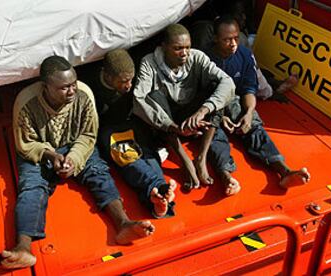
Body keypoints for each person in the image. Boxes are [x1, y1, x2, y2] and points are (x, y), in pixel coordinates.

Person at [0, 56, 155, 270]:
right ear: (46, 87)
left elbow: (89, 135)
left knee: (98, 172)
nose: (72, 91)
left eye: (73, 84)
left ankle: (123, 222)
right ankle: (23, 247)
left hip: (74, 147)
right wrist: (51, 156)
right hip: (41, 152)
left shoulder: (84, 94)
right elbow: (25, 144)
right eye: (64, 88)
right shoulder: (26, 102)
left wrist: (74, 158)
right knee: (31, 188)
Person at [206, 16, 311, 189]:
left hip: (234, 99)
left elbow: (248, 89)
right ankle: (226, 176)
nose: (233, 43)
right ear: (215, 39)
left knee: (254, 125)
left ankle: (284, 171)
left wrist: (247, 113)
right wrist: (220, 116)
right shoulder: (203, 58)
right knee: (213, 134)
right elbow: (202, 95)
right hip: (211, 103)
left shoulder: (244, 55)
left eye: (236, 38)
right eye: (226, 39)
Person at [133, 23, 236, 191]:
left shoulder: (197, 57)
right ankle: (184, 158)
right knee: (153, 96)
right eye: (178, 48)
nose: (184, 53)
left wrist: (203, 111)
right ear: (164, 47)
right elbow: (139, 99)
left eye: (187, 47)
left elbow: (227, 82)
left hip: (193, 115)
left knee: (216, 87)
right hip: (167, 122)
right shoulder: (149, 63)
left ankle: (201, 157)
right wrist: (172, 126)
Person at [80, 49, 176, 219]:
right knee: (128, 156)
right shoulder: (89, 86)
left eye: (131, 80)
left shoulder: (132, 80)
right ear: (108, 77)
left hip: (133, 124)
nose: (129, 86)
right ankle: (156, 190)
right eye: (123, 81)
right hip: (109, 131)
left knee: (147, 154)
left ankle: (159, 196)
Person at [189, 0, 298, 102]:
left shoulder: (238, 45)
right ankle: (269, 88)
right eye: (240, 14)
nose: (244, 17)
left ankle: (270, 85)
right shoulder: (230, 39)